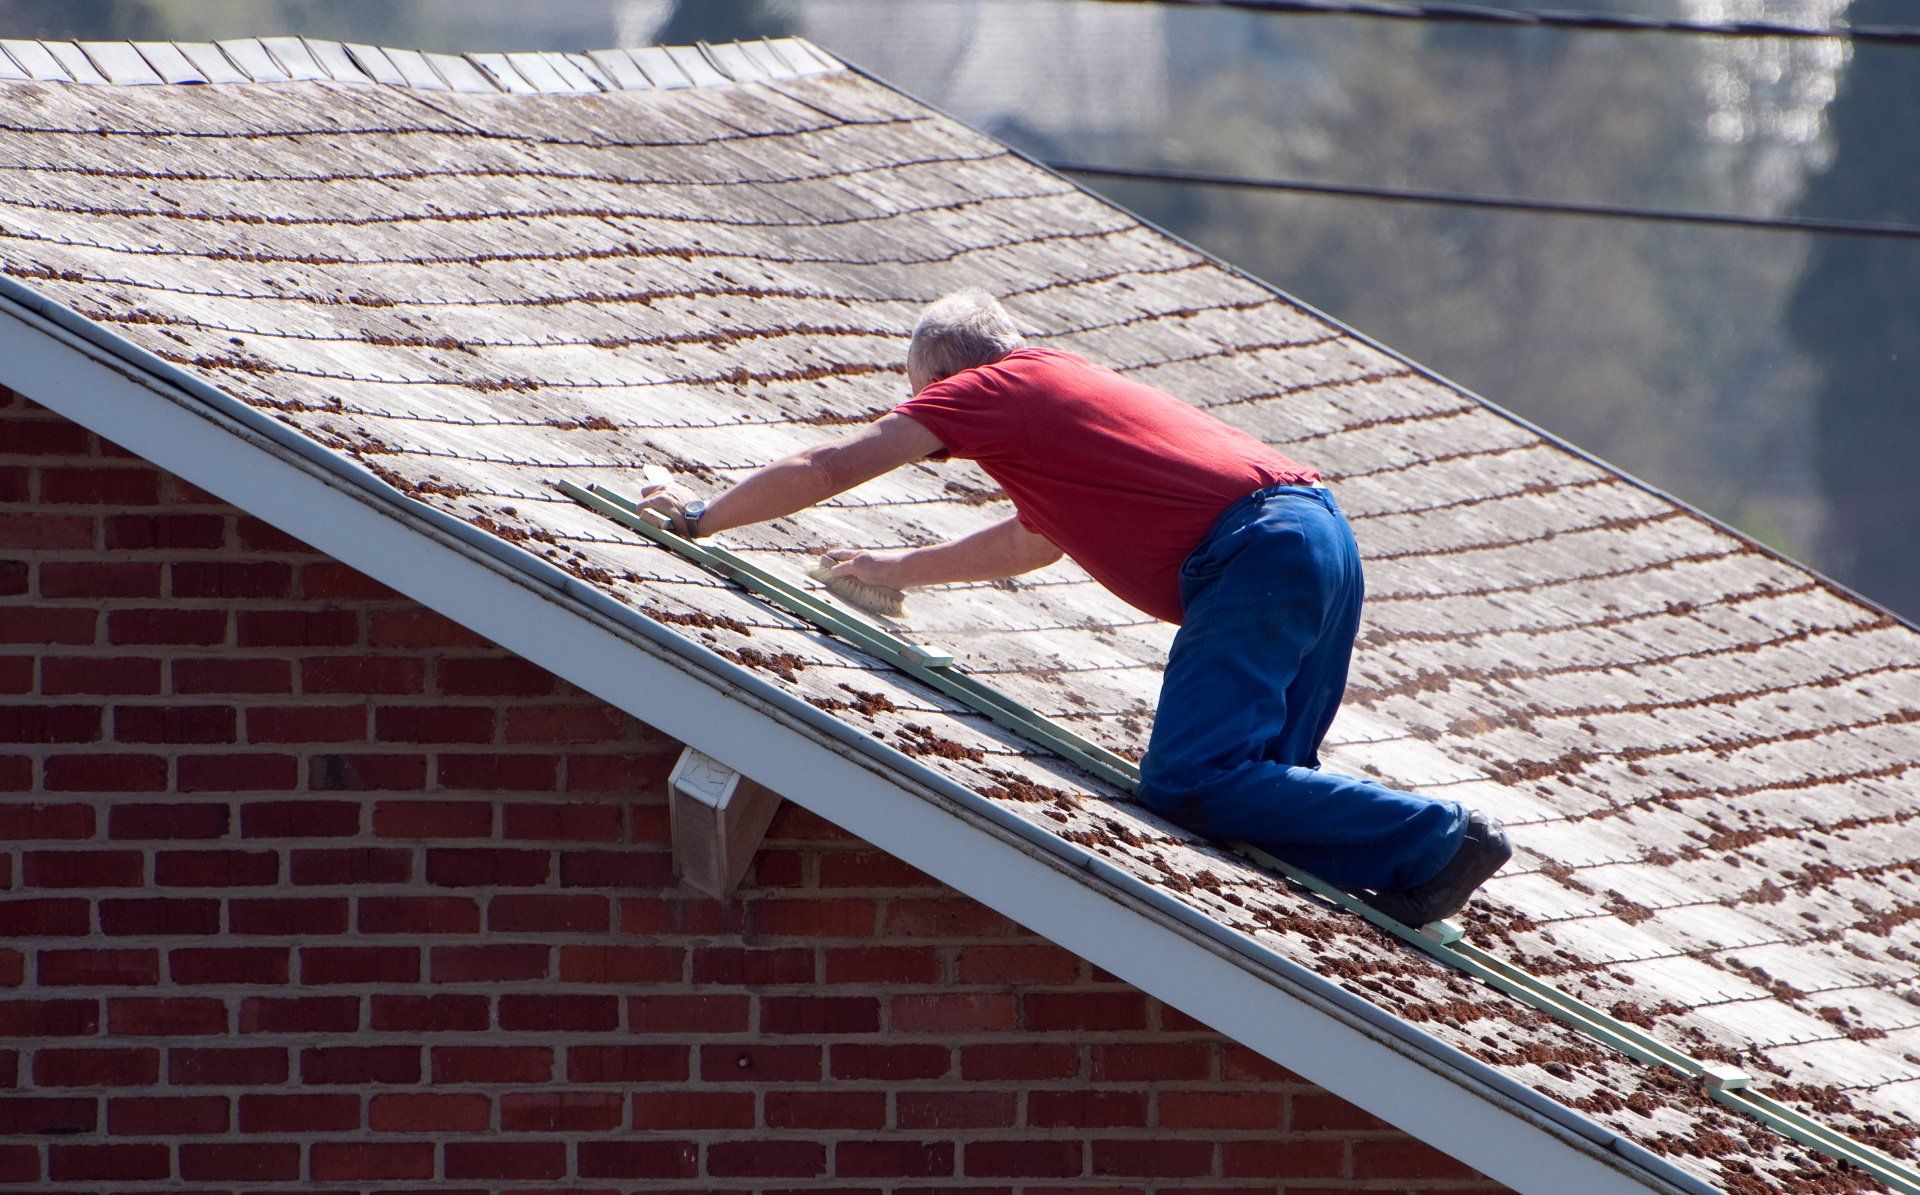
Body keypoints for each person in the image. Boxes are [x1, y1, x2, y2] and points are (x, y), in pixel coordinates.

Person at [638, 290, 1510, 925]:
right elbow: (1029, 542)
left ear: (943, 373)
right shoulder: (1057, 410)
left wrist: (698, 517)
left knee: (1189, 779)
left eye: (918, 390)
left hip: (1259, 553)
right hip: (1317, 537)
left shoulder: (987, 390)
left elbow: (837, 464)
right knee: (1262, 798)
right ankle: (1420, 871)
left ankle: (1440, 838)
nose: (925, 416)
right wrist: (895, 568)